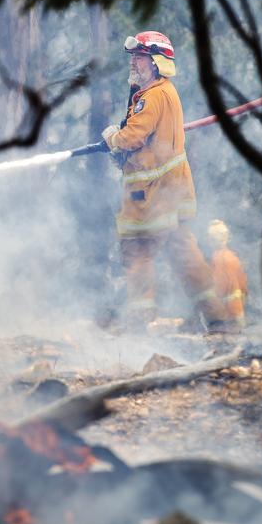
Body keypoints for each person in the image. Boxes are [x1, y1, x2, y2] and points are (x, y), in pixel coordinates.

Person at [101, 31, 224, 331]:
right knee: (183, 250)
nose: (134, 63)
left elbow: (132, 137)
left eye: (140, 58)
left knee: (136, 250)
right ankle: (218, 317)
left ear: (156, 63)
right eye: (133, 57)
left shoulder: (153, 97)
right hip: (172, 191)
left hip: (149, 197)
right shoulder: (163, 92)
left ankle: (140, 321)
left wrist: (112, 138)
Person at [206, 219, 248, 328]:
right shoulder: (232, 256)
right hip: (236, 310)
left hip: (230, 315)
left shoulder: (221, 260)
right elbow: (243, 286)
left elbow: (225, 291)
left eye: (209, 238)